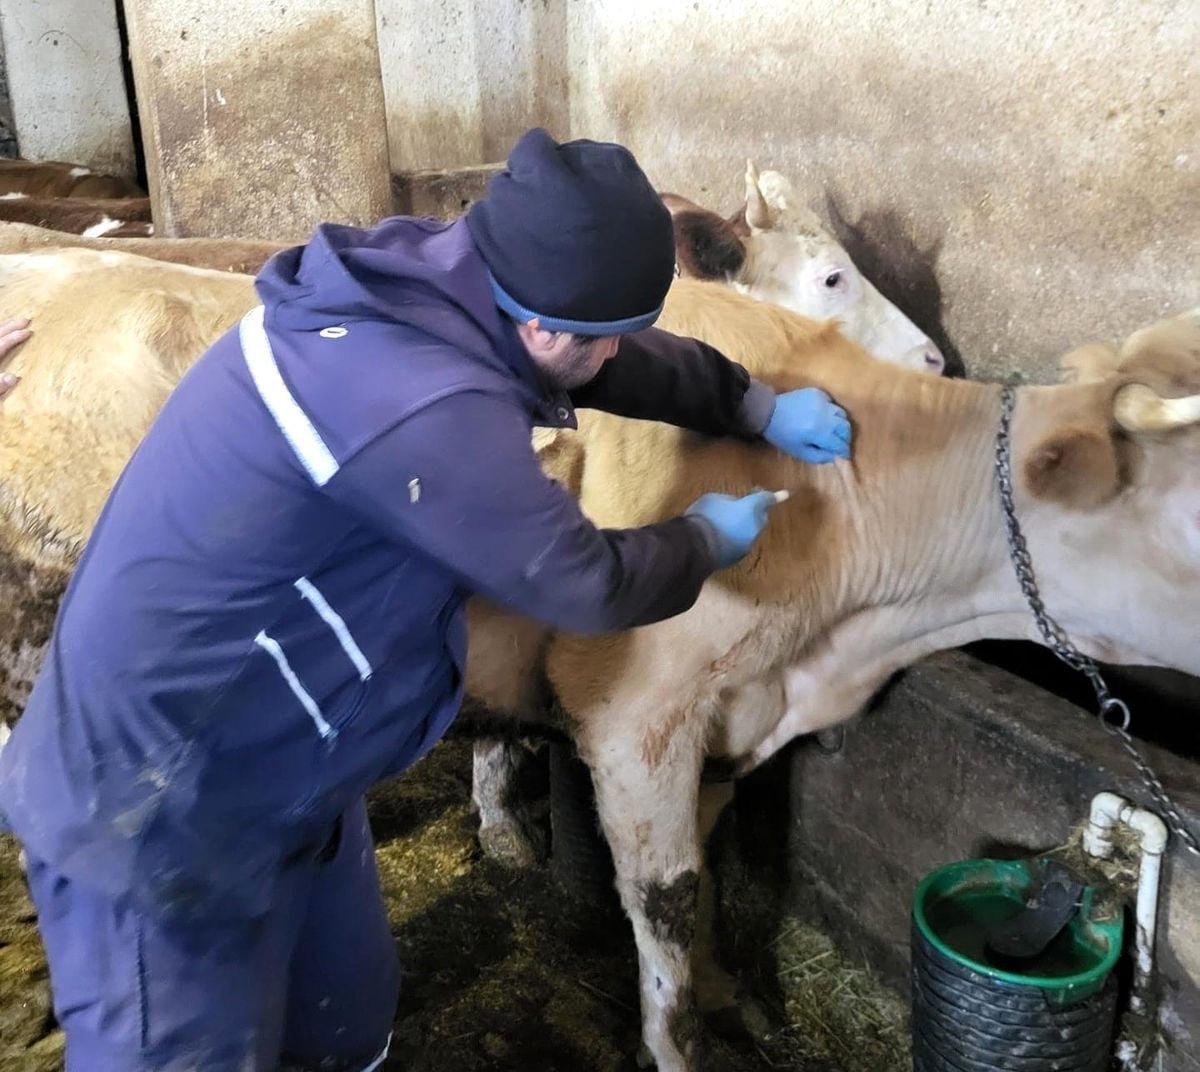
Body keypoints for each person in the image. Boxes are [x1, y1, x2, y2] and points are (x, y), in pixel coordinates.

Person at [0, 129, 851, 1072]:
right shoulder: (419, 402)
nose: (618, 353)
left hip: (293, 763)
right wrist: (704, 539)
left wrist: (749, 404)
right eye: (605, 336)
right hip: (160, 805)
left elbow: (608, 353)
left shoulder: (452, 274)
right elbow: (582, 579)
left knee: (346, 1023)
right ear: (546, 329)